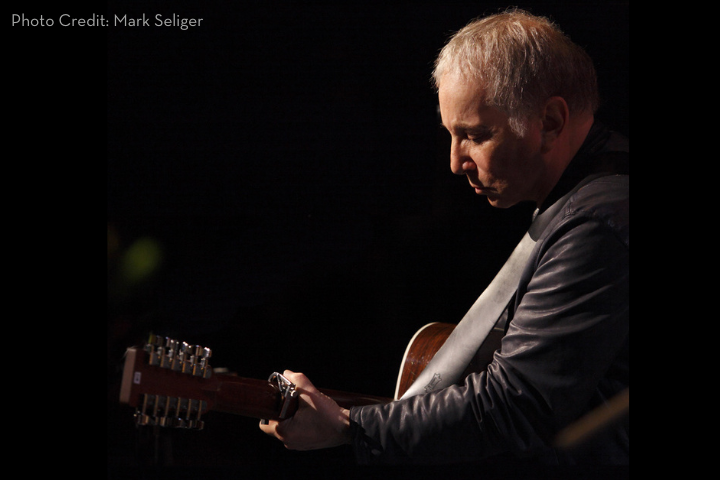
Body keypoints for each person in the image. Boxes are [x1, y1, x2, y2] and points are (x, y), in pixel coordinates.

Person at [260, 9, 629, 466]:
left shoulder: (599, 222)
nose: (456, 163)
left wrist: (349, 428)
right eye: (451, 136)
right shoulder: (588, 202)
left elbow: (516, 404)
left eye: (475, 135)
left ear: (551, 121)